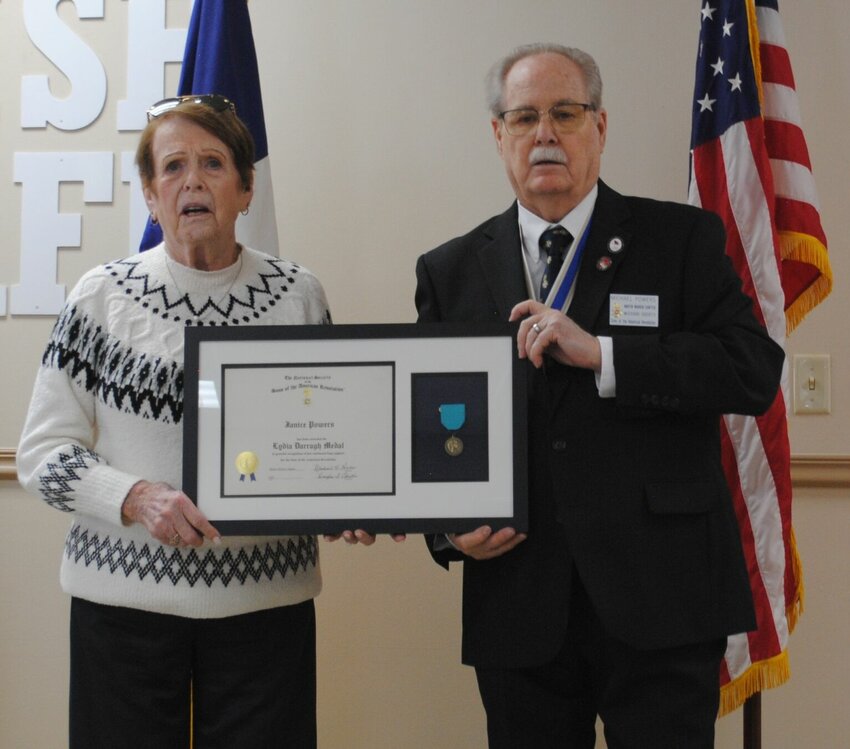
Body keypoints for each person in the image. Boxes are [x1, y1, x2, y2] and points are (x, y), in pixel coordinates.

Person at [414, 44, 785, 748]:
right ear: (499, 134)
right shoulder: (450, 270)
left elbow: (750, 369)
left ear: (601, 126)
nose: (545, 133)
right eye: (524, 117)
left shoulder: (681, 240)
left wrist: (605, 353)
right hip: (520, 602)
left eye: (565, 113)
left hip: (664, 599)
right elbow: (430, 429)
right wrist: (445, 526)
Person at [17, 95, 330, 748]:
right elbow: (42, 453)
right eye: (174, 167)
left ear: (246, 189)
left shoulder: (300, 295)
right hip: (123, 615)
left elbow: (329, 434)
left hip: (266, 613)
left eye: (213, 164)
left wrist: (352, 498)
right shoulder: (99, 297)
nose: (193, 181)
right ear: (150, 194)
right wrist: (133, 495)